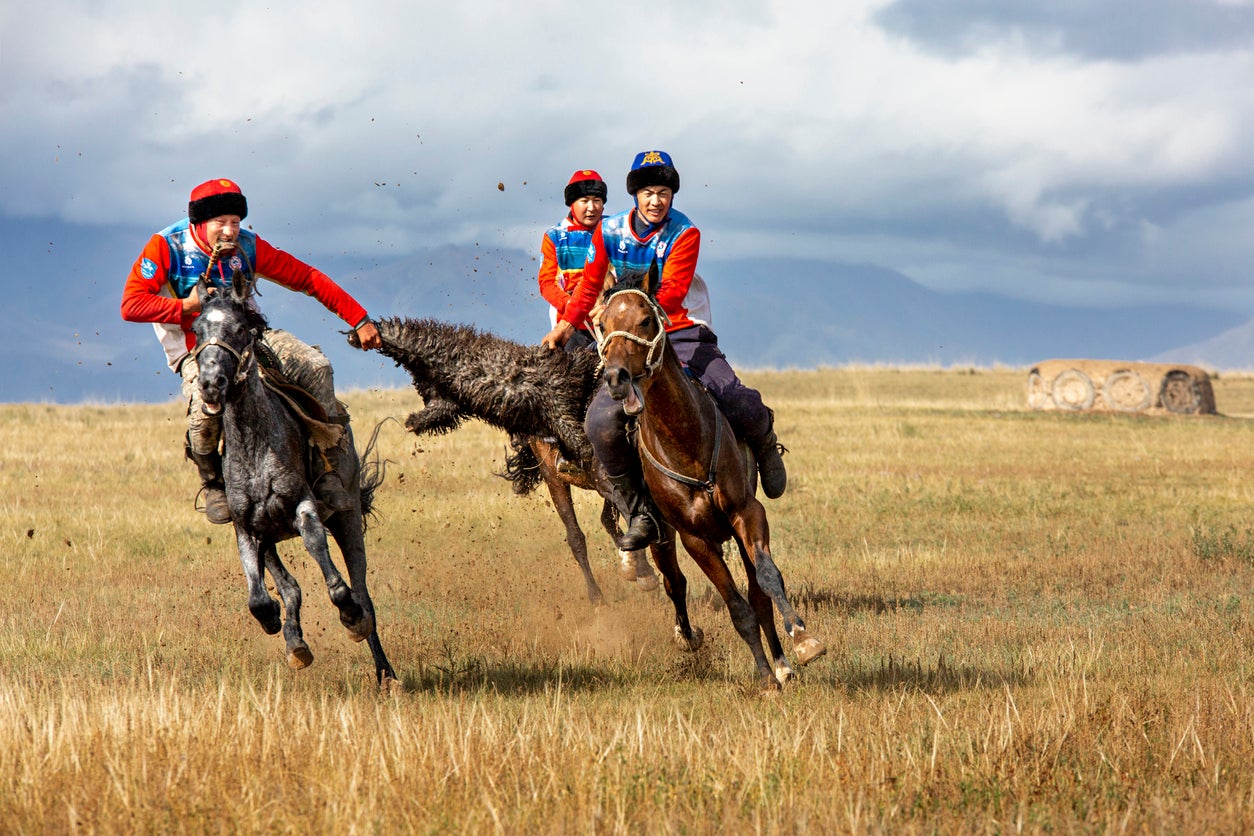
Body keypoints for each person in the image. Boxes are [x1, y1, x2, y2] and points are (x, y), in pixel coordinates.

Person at [541, 151, 788, 550]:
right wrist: (567, 325)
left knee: (737, 398)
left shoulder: (685, 233)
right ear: (635, 196)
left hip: (681, 331)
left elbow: (671, 294)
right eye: (648, 193)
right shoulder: (609, 232)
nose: (656, 201)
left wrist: (626, 310)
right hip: (630, 342)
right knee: (599, 426)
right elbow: (588, 286)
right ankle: (640, 511)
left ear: (672, 196)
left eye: (664, 193)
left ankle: (765, 443)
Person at [121, 178, 381, 524]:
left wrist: (359, 317)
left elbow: (307, 278)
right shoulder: (166, 247)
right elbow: (131, 305)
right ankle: (213, 483)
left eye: (235, 222)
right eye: (220, 223)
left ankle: (327, 468)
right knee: (204, 410)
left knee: (317, 366)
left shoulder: (249, 247)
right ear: (199, 223)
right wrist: (185, 306)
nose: (229, 231)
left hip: (249, 337)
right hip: (195, 346)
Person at [536, 169, 608, 353]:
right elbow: (546, 283)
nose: (592, 207)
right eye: (584, 201)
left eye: (597, 201)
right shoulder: (555, 237)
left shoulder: (613, 230)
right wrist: (572, 306)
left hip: (609, 318)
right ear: (572, 204)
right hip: (571, 324)